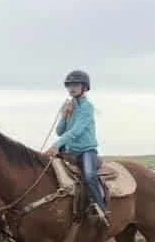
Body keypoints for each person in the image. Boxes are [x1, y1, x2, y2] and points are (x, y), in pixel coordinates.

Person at [44, 70, 109, 228]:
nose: (72, 88)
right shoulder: (69, 106)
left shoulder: (87, 108)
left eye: (76, 85)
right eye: (69, 85)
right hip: (69, 152)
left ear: (84, 87)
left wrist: (56, 145)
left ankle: (100, 208)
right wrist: (64, 115)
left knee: (88, 175)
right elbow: (60, 131)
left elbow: (76, 131)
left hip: (86, 151)